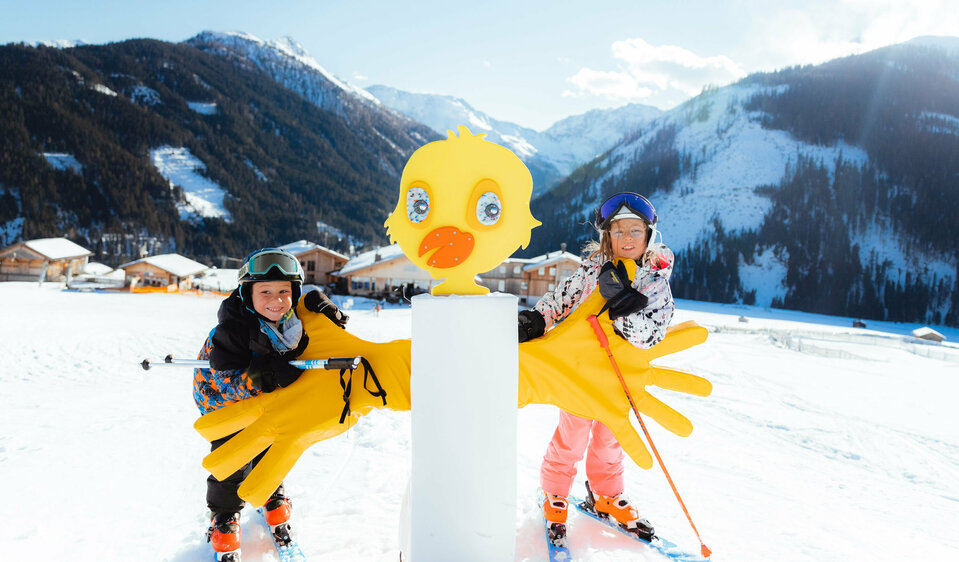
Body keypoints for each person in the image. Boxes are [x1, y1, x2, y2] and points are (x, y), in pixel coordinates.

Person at [517, 192, 674, 540]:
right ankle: (555, 493)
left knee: (609, 440)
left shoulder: (655, 283)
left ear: (648, 235)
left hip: (619, 380)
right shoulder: (591, 270)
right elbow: (561, 300)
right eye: (619, 231)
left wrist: (624, 307)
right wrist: (535, 321)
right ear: (607, 236)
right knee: (571, 436)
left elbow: (652, 336)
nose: (628, 238)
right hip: (579, 372)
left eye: (636, 230)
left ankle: (606, 494)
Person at [192, 248, 348, 560]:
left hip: (269, 400)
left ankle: (270, 492)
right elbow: (226, 385)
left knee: (273, 445)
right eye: (265, 291)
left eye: (283, 291)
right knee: (233, 459)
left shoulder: (291, 322)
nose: (275, 300)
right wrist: (261, 377)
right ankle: (224, 517)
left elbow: (318, 342)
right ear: (247, 294)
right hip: (224, 407)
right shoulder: (231, 332)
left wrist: (331, 320)